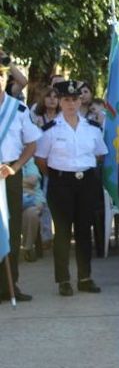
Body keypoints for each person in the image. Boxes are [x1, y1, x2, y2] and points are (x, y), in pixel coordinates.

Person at [34, 79, 106, 296]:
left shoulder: (92, 128)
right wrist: (58, 176)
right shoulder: (50, 130)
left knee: (84, 231)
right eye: (66, 100)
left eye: (75, 99)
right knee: (63, 233)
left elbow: (100, 154)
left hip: (86, 182)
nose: (71, 104)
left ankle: (85, 277)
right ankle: (64, 280)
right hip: (61, 183)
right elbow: (41, 160)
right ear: (60, 102)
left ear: (79, 100)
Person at [0, 61, 41, 302]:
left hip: (9, 174)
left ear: (6, 80)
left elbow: (32, 144)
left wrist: (14, 168)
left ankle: (9, 284)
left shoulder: (19, 110)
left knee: (12, 230)